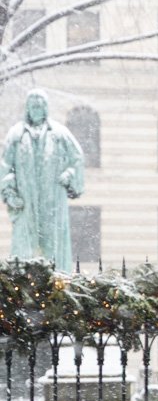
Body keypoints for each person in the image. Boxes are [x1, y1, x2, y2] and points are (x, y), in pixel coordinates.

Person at [1, 89, 85, 269]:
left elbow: (77, 158)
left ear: (46, 108)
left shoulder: (60, 133)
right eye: (33, 106)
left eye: (40, 106)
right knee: (24, 250)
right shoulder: (16, 134)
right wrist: (9, 193)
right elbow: (5, 166)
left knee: (53, 248)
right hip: (26, 201)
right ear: (27, 108)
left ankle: (57, 284)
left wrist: (69, 174)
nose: (36, 110)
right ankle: (21, 289)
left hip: (52, 201)